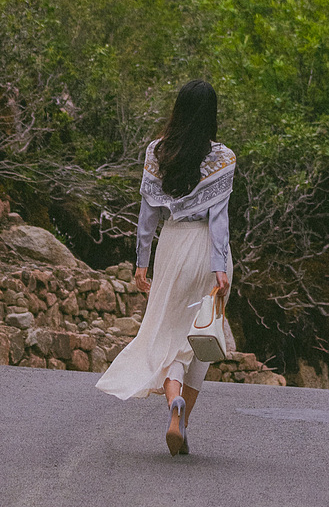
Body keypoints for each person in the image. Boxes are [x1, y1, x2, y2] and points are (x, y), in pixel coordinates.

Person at [95, 79, 234, 457]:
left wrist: (141, 261)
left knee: (169, 330)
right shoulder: (223, 158)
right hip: (207, 250)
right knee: (202, 332)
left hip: (172, 246)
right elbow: (219, 219)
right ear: (212, 115)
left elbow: (147, 215)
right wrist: (220, 267)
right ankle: (184, 422)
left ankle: (173, 401)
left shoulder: (157, 152)